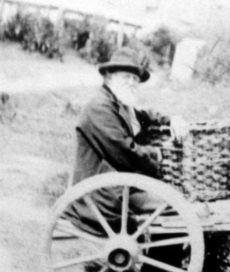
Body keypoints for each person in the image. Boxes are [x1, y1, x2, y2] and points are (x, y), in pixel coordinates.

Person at [67, 47, 187, 232]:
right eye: (126, 77)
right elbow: (125, 152)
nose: (132, 83)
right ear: (109, 77)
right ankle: (163, 259)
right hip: (102, 195)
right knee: (174, 205)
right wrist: (157, 155)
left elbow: (146, 115)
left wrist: (172, 119)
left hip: (118, 185)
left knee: (174, 198)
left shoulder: (118, 103)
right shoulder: (99, 108)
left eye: (135, 79)